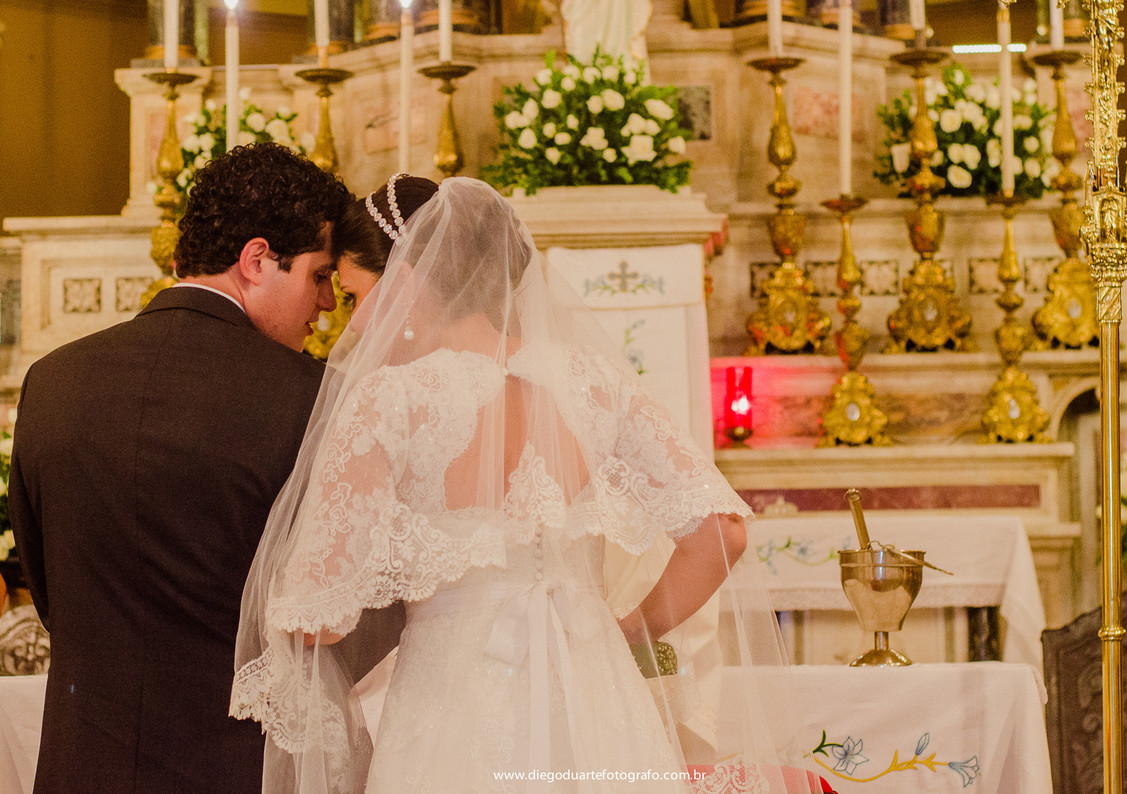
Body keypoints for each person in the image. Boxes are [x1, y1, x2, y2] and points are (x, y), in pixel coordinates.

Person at [232, 176, 818, 793]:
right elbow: (722, 535)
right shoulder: (594, 384)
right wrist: (627, 628)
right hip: (599, 697)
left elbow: (321, 618)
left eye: (356, 295)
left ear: (405, 283)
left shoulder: (391, 401)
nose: (352, 321)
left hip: (452, 714)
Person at [8, 142, 350, 793]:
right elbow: (319, 615)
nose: (329, 302)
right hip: (232, 766)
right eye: (318, 275)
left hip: (82, 766)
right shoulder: (311, 396)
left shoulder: (52, 380)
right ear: (256, 261)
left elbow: (49, 590)